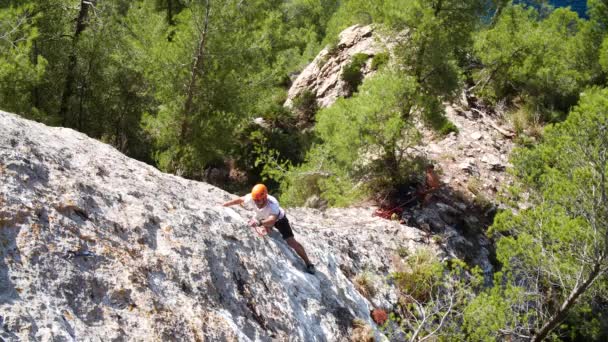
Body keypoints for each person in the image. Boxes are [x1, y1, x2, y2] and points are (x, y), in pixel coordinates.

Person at [222, 184, 316, 274]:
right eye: (255, 200)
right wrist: (224, 205)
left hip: (279, 220)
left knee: (291, 242)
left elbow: (272, 220)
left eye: (259, 200)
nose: (257, 203)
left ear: (265, 197)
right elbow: (239, 200)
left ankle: (308, 263)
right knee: (259, 225)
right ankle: (265, 227)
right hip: (262, 216)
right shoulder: (252, 197)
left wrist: (260, 223)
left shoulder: (273, 203)